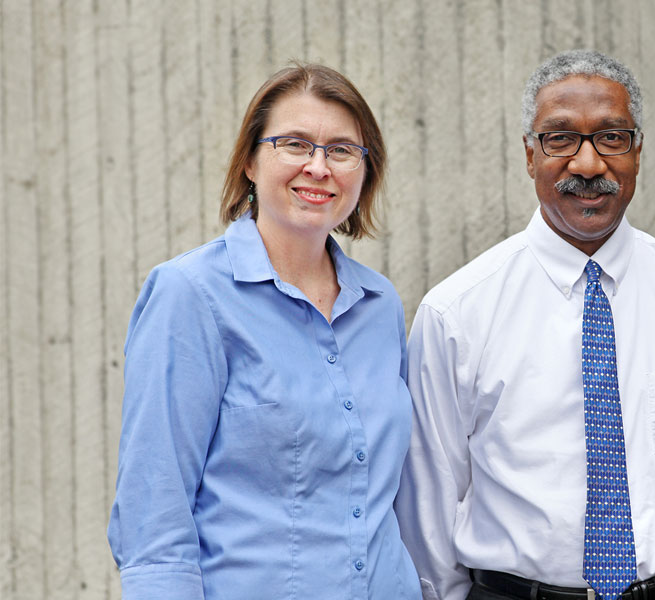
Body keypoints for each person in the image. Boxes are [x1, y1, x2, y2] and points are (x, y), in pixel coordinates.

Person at [397, 49, 655, 600]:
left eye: (611, 137)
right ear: (529, 156)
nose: (587, 165)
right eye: (560, 139)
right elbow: (427, 515)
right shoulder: (457, 313)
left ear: (638, 152)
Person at [107, 63, 421, 600]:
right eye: (295, 144)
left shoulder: (380, 304)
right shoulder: (191, 295)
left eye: (342, 150)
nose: (318, 167)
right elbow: (154, 511)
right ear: (250, 160)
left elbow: (393, 497)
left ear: (365, 170)